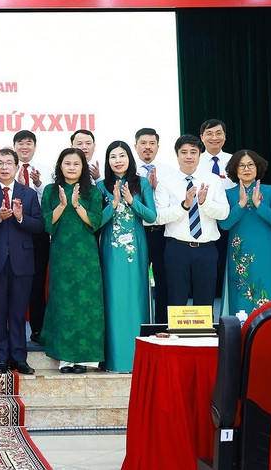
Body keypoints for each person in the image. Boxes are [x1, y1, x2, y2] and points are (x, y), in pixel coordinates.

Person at [0, 148, 43, 375]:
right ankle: (1, 358)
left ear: (16, 166)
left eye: (9, 163)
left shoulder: (29, 194)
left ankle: (19, 358)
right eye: (0, 163)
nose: (4, 167)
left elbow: (39, 226)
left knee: (18, 313)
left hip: (22, 262)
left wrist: (20, 217)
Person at [42, 148, 104, 373]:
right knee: (63, 303)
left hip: (86, 256)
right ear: (60, 166)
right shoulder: (50, 190)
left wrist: (77, 204)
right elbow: (47, 224)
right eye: (66, 163)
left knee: (86, 304)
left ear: (83, 167)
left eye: (76, 164)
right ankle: (65, 359)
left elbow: (95, 223)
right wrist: (62, 205)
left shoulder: (93, 192)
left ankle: (84, 360)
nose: (71, 167)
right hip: (61, 253)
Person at [97, 141, 155, 372]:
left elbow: (151, 216)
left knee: (136, 297)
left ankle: (138, 360)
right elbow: (96, 222)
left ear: (130, 158)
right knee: (114, 300)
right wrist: (114, 204)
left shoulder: (141, 183)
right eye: (113, 156)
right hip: (110, 252)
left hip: (136, 250)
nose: (118, 160)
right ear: (108, 161)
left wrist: (132, 201)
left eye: (122, 155)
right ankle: (114, 359)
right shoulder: (101, 186)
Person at [154, 135, 230, 309]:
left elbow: (224, 213)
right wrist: (184, 206)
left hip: (207, 249)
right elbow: (158, 217)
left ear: (200, 155)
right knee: (176, 300)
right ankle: (177, 335)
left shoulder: (213, 180)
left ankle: (204, 336)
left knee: (205, 302)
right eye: (184, 152)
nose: (189, 156)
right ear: (177, 155)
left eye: (193, 152)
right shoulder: (166, 183)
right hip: (176, 248)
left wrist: (204, 203)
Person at [219, 150, 271, 312]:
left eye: (250, 165)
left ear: (257, 167)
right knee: (242, 292)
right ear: (235, 169)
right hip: (240, 252)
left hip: (266, 251)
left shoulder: (270, 191)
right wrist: (241, 205)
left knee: (268, 287)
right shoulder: (228, 194)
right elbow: (224, 225)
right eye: (241, 165)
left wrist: (258, 205)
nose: (246, 169)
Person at [13, 129, 50, 342]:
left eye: (28, 143)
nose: (24, 146)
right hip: (13, 231)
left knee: (37, 282)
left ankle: (38, 328)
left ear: (35, 146)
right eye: (20, 142)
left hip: (37, 231)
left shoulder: (46, 170)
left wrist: (38, 185)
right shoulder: (7, 168)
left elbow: (51, 199)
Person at [134, 127, 171, 324]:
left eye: (152, 143)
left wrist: (156, 188)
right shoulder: (130, 172)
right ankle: (139, 323)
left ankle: (161, 324)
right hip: (138, 232)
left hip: (161, 232)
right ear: (136, 146)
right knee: (137, 280)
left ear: (158, 146)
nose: (147, 147)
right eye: (143, 143)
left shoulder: (170, 171)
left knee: (163, 281)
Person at [198, 119, 235, 304]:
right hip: (204, 223)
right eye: (209, 133)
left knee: (231, 267)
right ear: (202, 137)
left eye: (218, 133)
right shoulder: (194, 160)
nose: (214, 137)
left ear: (225, 137)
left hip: (231, 223)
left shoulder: (235, 160)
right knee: (206, 274)